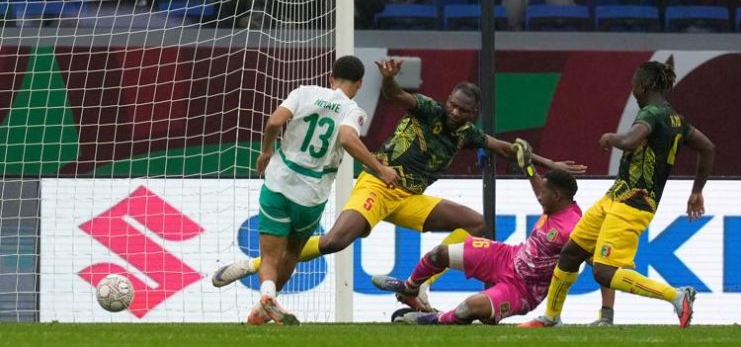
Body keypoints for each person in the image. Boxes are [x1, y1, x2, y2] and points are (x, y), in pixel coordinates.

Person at [214, 58, 587, 312]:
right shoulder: (427, 108)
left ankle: (417, 285)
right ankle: (256, 264)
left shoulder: (467, 133)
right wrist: (390, 79)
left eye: (462, 110)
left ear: (472, 114)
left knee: (477, 224)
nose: (454, 111)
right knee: (334, 242)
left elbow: (505, 148)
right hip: (378, 184)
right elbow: (395, 95)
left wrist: (550, 164)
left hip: (409, 197)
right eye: (452, 105)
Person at [520, 61, 715, 329]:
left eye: (634, 87)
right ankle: (551, 318)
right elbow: (708, 148)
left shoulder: (651, 114)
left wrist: (612, 138)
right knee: (571, 252)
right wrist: (697, 191)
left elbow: (630, 140)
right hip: (615, 197)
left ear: (643, 86)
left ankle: (676, 296)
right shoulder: (677, 120)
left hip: (634, 203)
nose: (633, 92)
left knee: (603, 271)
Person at [234, 55, 399, 326]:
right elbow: (348, 138)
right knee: (292, 253)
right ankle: (265, 307)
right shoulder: (353, 110)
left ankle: (266, 295)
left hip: (278, 183)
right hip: (310, 195)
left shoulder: (303, 93)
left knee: (270, 255)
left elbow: (274, 122)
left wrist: (266, 151)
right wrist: (380, 170)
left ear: (331, 78)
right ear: (359, 84)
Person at [373, 140, 583, 326]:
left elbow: (593, 259)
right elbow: (540, 190)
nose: (540, 196)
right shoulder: (555, 204)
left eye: (544, 192)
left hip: (523, 290)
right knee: (439, 254)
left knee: (469, 308)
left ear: (557, 196)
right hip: (507, 257)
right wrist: (528, 167)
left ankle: (433, 318)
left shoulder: (572, 228)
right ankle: (411, 288)